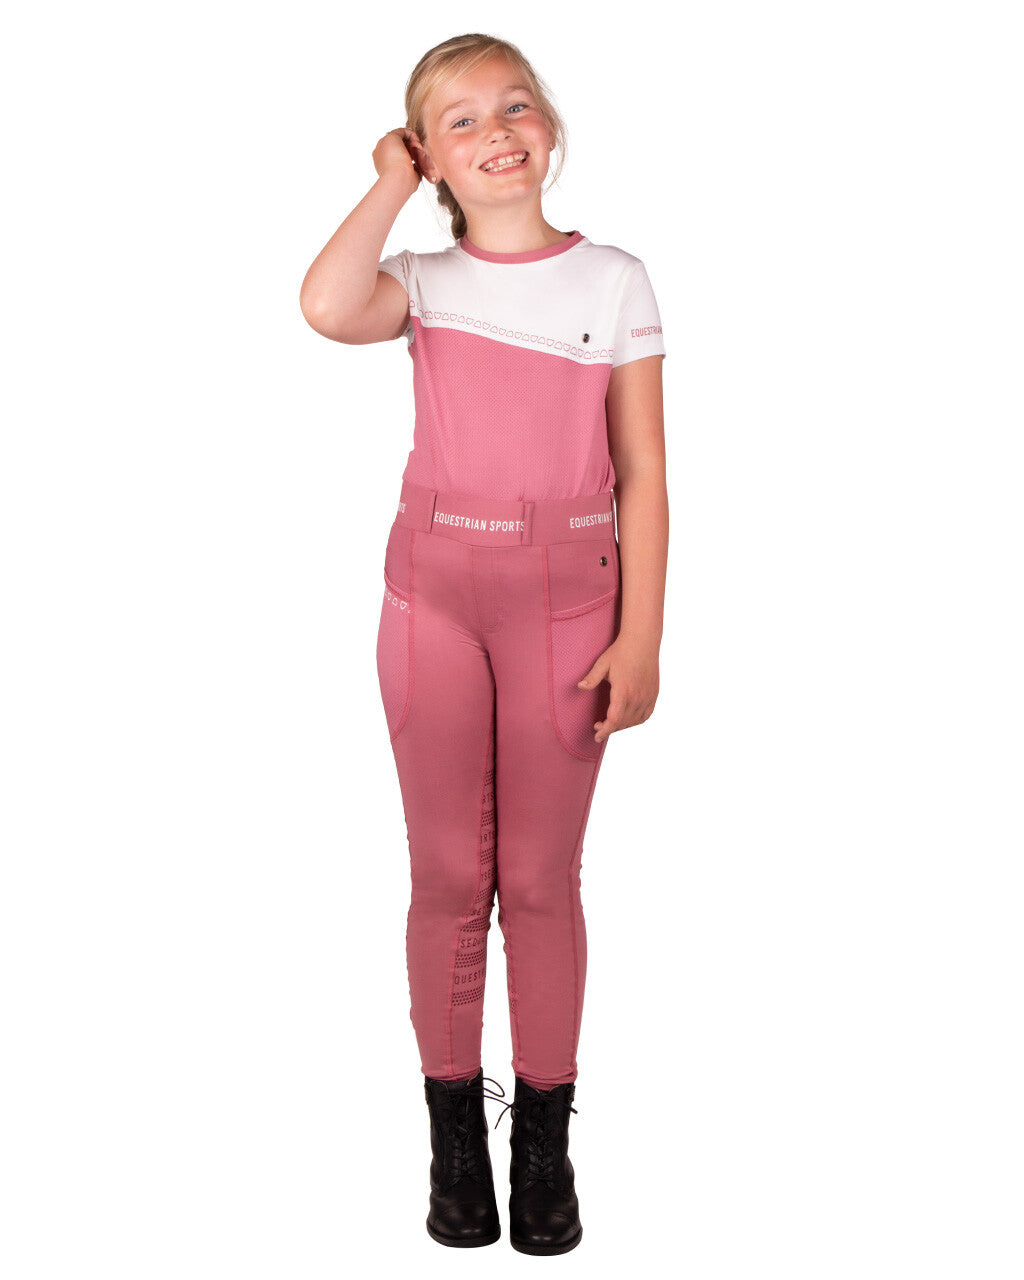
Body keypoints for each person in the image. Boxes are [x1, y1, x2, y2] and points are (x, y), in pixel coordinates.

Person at [299, 33, 667, 1255]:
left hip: (569, 602)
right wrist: (389, 182)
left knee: (542, 878)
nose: (495, 130)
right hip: (433, 596)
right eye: (457, 121)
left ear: (548, 125)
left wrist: (642, 635)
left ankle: (544, 1144)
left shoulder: (612, 279)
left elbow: (643, 468)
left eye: (514, 105)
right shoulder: (420, 280)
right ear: (430, 157)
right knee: (451, 876)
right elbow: (325, 305)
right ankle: (454, 1138)